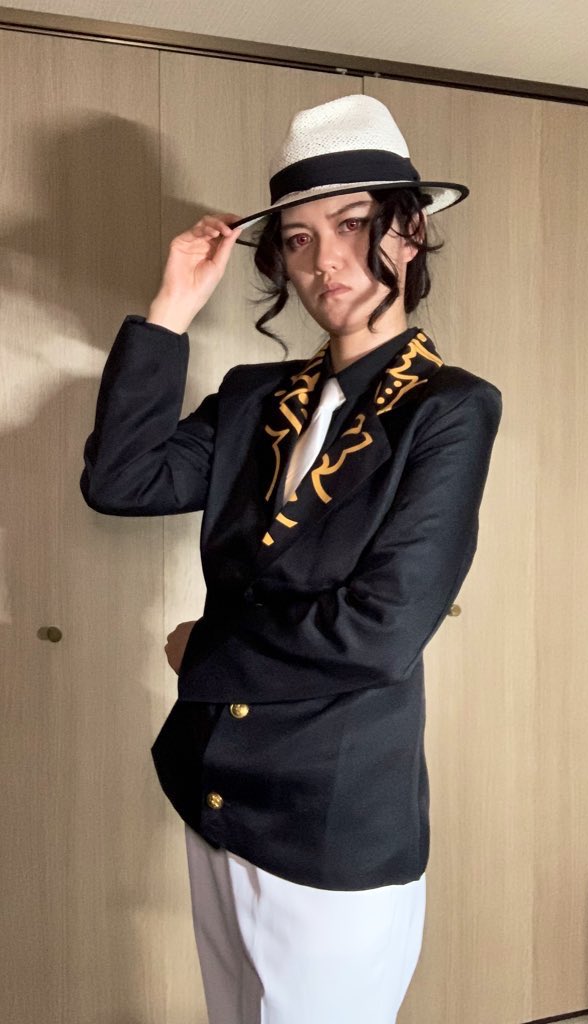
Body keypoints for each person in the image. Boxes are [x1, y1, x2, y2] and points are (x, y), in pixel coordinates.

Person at [80, 94, 502, 1024]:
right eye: (300, 239)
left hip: (333, 822)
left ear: (410, 233)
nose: (324, 262)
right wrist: (169, 312)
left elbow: (380, 632)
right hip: (212, 792)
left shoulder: (449, 410)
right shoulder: (253, 396)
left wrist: (205, 649)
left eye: (353, 225)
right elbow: (121, 480)